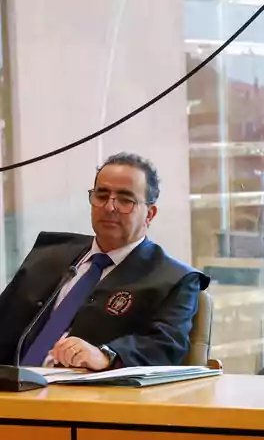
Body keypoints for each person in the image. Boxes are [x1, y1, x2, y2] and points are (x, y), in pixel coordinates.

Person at [0, 152, 208, 371]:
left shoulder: (174, 280)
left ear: (150, 214)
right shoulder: (49, 256)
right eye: (101, 196)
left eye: (125, 200)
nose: (110, 207)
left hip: (86, 398)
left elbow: (165, 346)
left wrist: (105, 355)